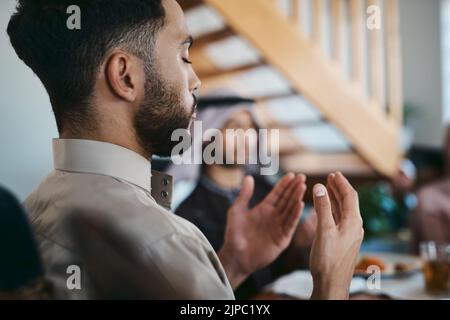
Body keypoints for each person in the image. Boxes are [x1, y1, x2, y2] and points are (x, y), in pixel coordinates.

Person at [7, 0, 364, 299]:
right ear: (125, 76)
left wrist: (234, 264)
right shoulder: (164, 241)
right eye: (184, 55)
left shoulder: (31, 211)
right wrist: (333, 282)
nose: (195, 80)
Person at [171, 100, 315, 298]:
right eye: (235, 127)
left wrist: (300, 243)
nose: (247, 137)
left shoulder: (268, 191)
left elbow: (286, 270)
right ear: (206, 135)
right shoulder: (188, 215)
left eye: (251, 127)